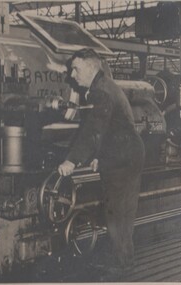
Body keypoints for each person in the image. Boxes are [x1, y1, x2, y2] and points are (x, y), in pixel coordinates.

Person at [58, 48, 145, 278]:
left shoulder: (100, 92)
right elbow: (111, 126)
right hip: (126, 153)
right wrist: (100, 155)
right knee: (123, 212)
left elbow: (93, 130)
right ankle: (124, 260)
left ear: (90, 67)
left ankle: (121, 266)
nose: (72, 75)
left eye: (75, 69)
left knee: (116, 211)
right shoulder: (106, 85)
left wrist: (71, 161)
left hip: (121, 158)